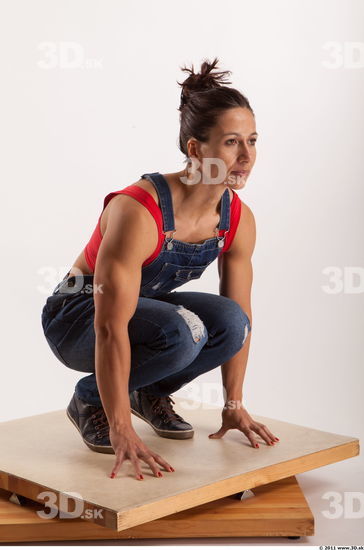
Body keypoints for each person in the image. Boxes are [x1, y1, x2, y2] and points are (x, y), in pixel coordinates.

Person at [41, 57, 279, 482]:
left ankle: (148, 392)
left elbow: (240, 317)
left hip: (145, 313)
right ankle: (89, 401)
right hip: (76, 316)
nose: (247, 156)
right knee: (184, 330)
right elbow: (110, 327)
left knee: (232, 323)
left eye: (253, 140)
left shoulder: (238, 219)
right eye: (230, 142)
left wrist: (233, 403)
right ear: (195, 149)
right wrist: (120, 428)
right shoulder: (139, 210)